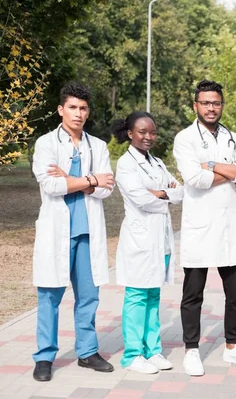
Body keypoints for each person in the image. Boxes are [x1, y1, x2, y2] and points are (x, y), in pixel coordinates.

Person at [173, 79, 236, 376]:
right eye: (206, 103)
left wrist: (211, 165)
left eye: (216, 103)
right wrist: (230, 171)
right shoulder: (184, 138)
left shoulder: (232, 137)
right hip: (200, 225)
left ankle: (233, 347)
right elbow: (193, 179)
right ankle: (191, 349)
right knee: (193, 294)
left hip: (230, 225)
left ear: (222, 105)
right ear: (195, 105)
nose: (212, 108)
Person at [31, 82, 115, 382]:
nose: (78, 113)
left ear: (87, 112)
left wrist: (72, 178)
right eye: (72, 107)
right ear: (60, 109)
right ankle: (44, 357)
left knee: (89, 296)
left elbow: (106, 190)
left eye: (83, 108)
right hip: (57, 230)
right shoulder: (46, 144)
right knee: (50, 295)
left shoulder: (99, 146)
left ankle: (87, 352)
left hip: (88, 231)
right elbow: (52, 186)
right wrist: (91, 178)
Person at [112, 111, 183, 374]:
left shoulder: (158, 163)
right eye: (142, 132)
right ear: (130, 133)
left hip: (161, 240)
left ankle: (152, 351)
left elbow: (181, 192)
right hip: (140, 240)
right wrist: (167, 193)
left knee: (154, 295)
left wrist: (162, 193)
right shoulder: (126, 164)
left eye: (152, 132)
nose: (148, 137)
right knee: (137, 296)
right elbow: (141, 199)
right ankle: (132, 355)